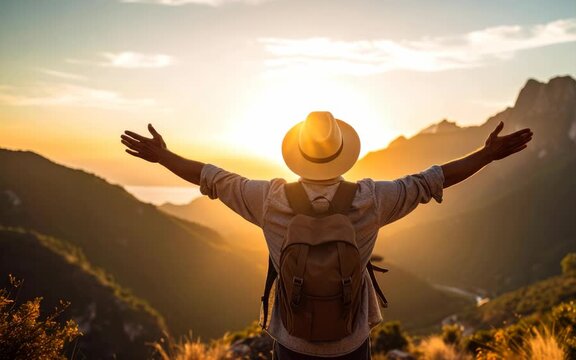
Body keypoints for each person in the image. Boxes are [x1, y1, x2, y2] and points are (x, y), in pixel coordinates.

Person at [120, 111, 533, 359]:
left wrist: (163, 156)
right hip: (350, 342)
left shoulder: (269, 199)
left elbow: (212, 178)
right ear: (342, 152)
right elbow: (432, 180)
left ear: (297, 156)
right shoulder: (373, 200)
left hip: (292, 340)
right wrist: (486, 155)